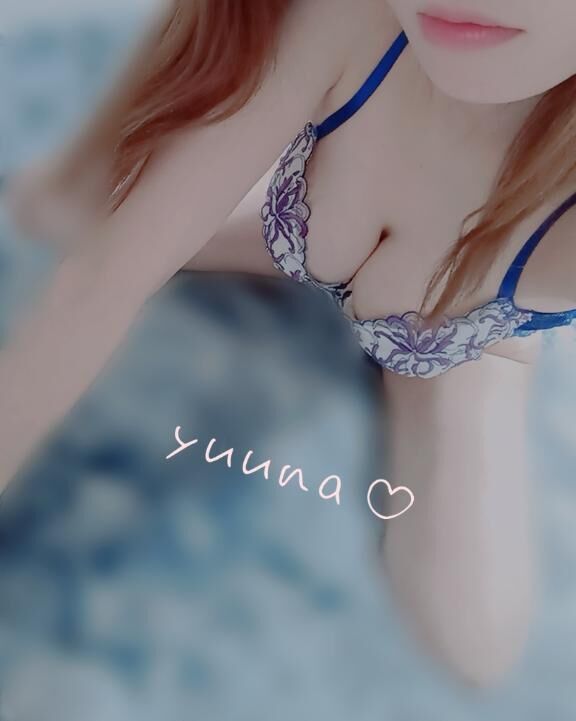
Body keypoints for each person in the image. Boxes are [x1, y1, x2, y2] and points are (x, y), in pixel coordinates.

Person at [3, 0, 576, 689]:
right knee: (65, 215)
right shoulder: (350, 20)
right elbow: (97, 283)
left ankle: (478, 352)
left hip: (455, 334)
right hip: (315, 233)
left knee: (472, 642)